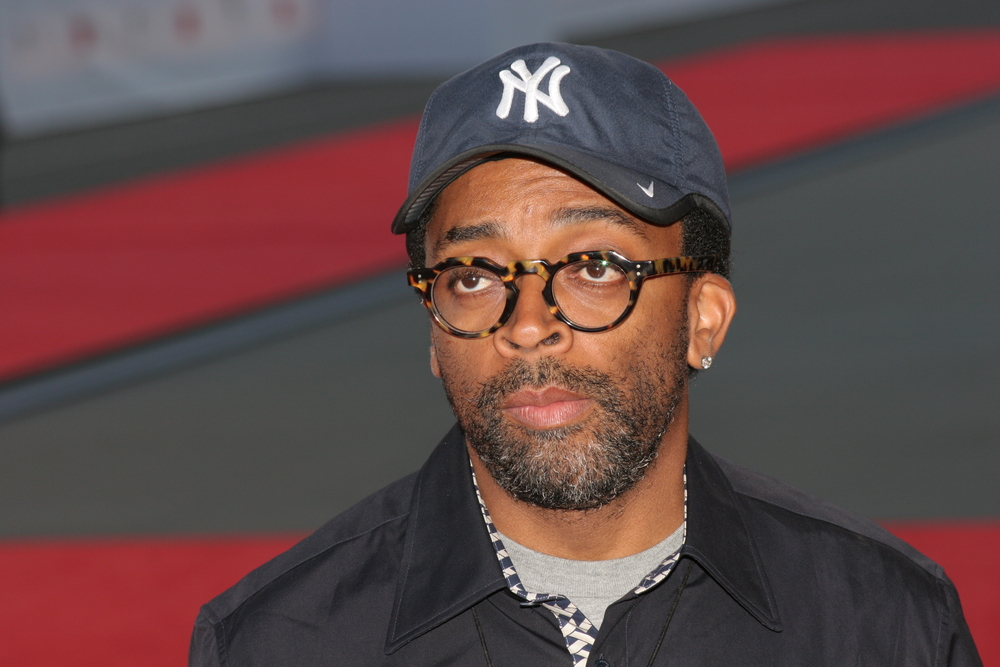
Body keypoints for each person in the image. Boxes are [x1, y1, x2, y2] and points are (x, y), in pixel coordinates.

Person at [189, 42, 981, 666]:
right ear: (433, 331)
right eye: (473, 275)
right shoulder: (278, 642)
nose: (527, 323)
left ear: (704, 318)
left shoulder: (882, 624)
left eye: (595, 266)